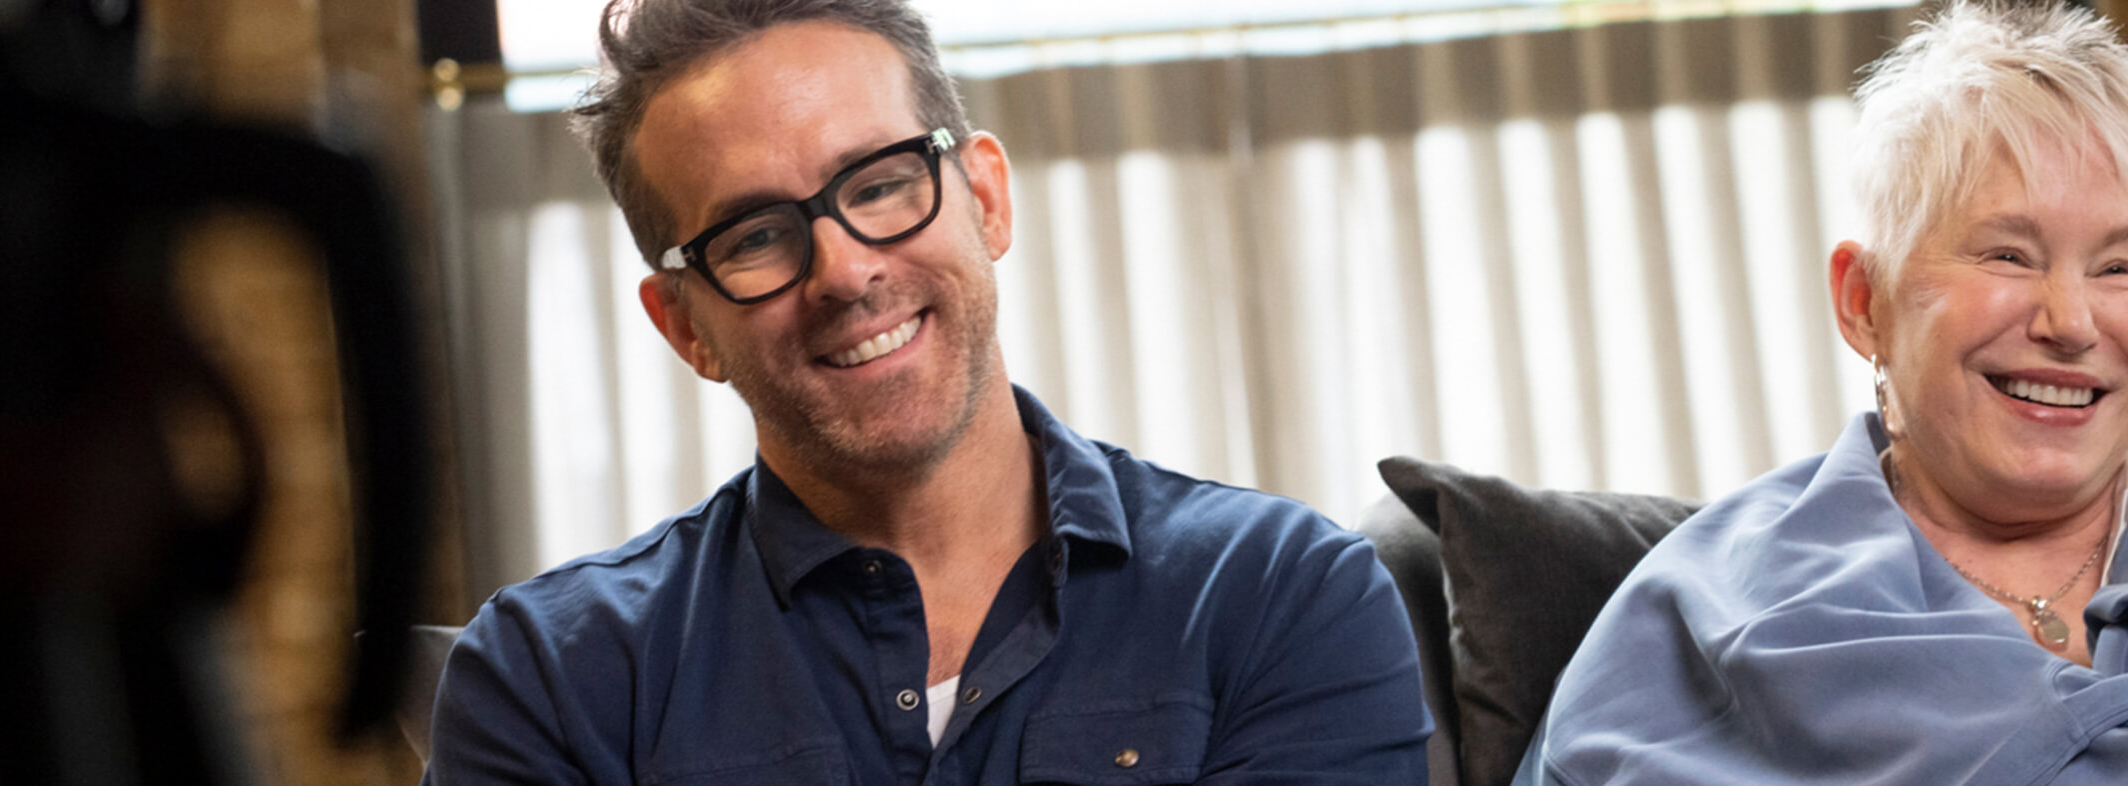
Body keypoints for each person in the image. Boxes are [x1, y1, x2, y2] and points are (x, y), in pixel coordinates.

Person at [421, 0, 1432, 782]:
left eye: (879, 183)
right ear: (687, 326)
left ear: (984, 198)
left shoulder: (1283, 598)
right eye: (757, 235)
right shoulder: (548, 681)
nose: (846, 272)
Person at [1512, 3, 2128, 784]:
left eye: (2119, 268)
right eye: (2008, 253)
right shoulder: (1705, 629)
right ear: (1864, 301)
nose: (2070, 320)